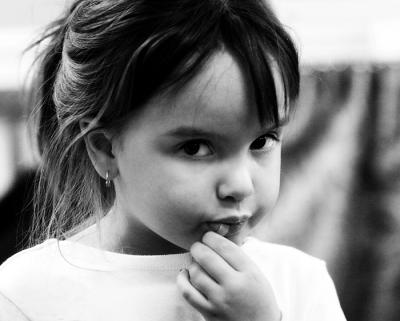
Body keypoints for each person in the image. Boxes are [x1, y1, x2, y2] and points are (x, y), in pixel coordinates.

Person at [0, 0, 347, 320]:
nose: (241, 185)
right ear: (105, 149)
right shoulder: (26, 295)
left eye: (262, 141)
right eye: (196, 147)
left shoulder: (299, 283)